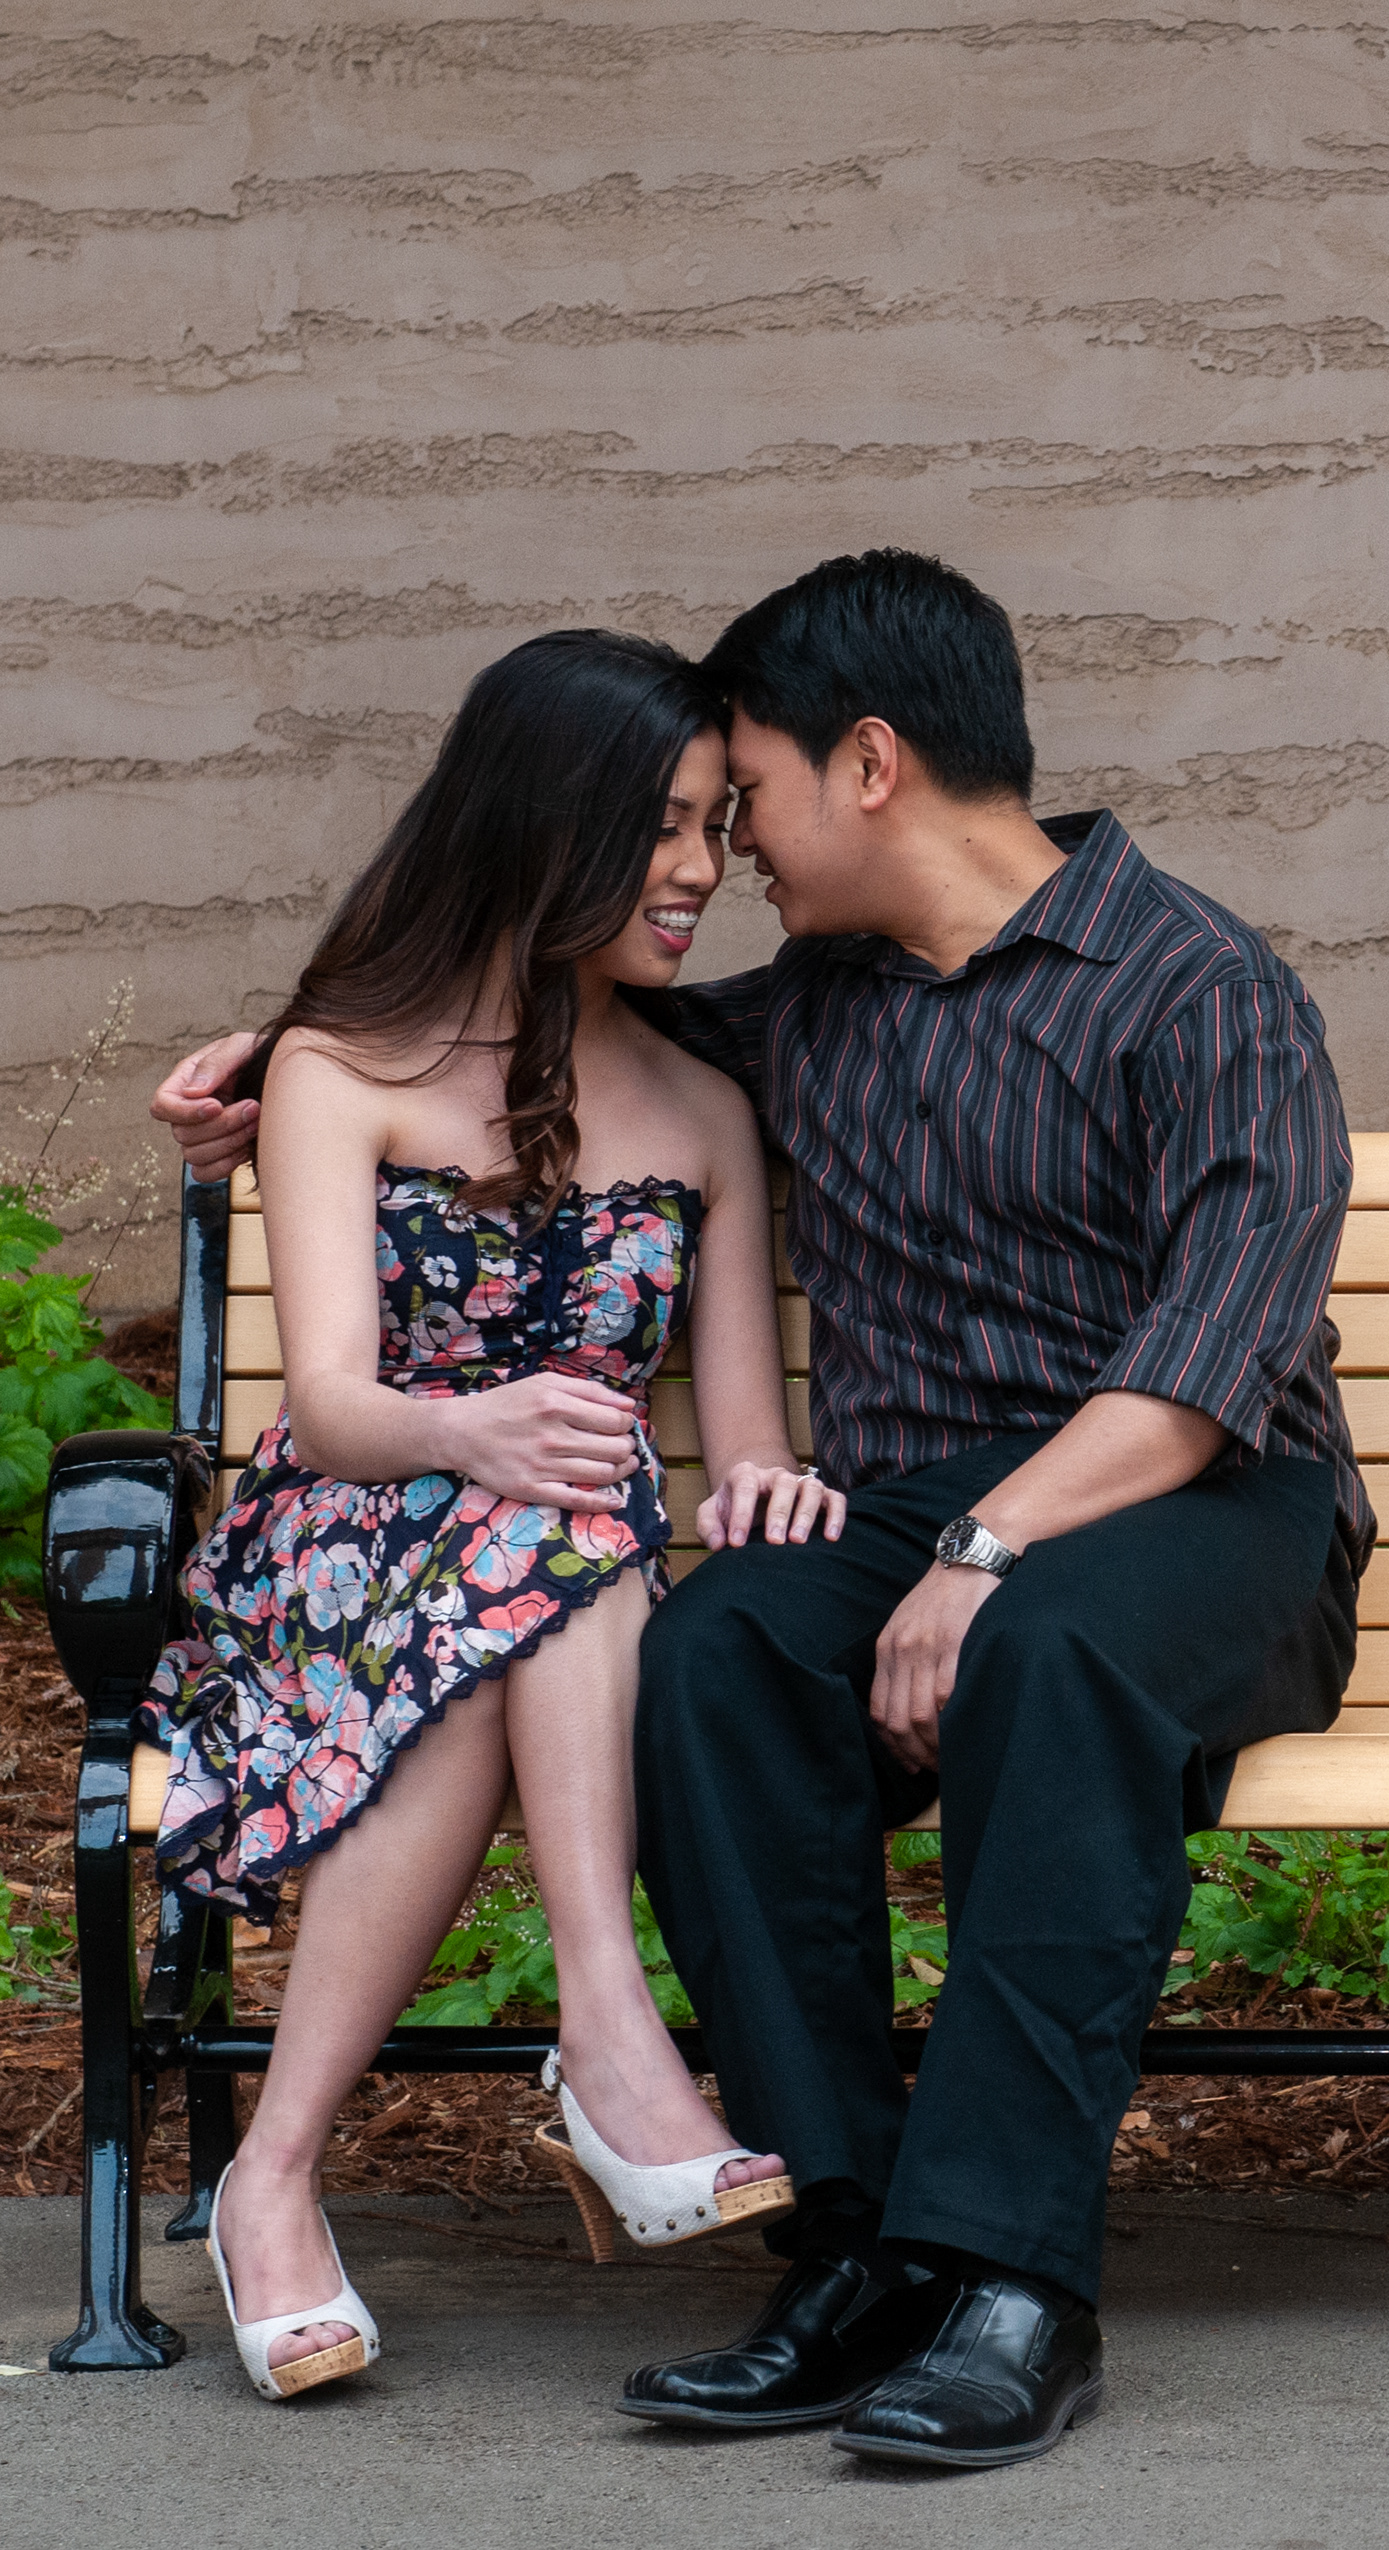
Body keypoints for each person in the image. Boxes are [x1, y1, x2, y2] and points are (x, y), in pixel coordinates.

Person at [158, 549, 1368, 2470]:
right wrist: (273, 1048)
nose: (728, 858)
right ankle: (864, 2239)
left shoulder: (1207, 996)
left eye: (750, 801)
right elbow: (518, 1029)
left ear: (869, 764)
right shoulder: (810, 1010)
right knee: (715, 1653)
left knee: (1048, 1647)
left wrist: (982, 1553)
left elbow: (1207, 1368)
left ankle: (1012, 2282)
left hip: (1206, 1503)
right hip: (920, 1514)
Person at [140, 630, 835, 2404]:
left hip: (556, 1578)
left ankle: (273, 2175)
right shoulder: (343, 1066)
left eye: (714, 826)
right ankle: (609, 2038)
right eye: (665, 827)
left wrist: (768, 1478)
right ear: (551, 823)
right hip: (337, 1554)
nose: (700, 868)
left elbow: (738, 1438)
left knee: (562, 1531)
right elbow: (340, 1410)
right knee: (557, 1517)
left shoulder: (702, 1109)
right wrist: (484, 1425)